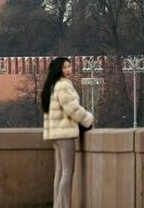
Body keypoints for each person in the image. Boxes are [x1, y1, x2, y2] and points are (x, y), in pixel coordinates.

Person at [42, 57, 93, 208]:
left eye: (70, 67)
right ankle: (64, 206)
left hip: (55, 133)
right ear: (58, 70)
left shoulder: (52, 86)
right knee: (67, 172)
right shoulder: (63, 86)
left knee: (59, 172)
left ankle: (58, 205)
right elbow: (72, 109)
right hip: (65, 133)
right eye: (65, 67)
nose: (68, 70)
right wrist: (89, 119)